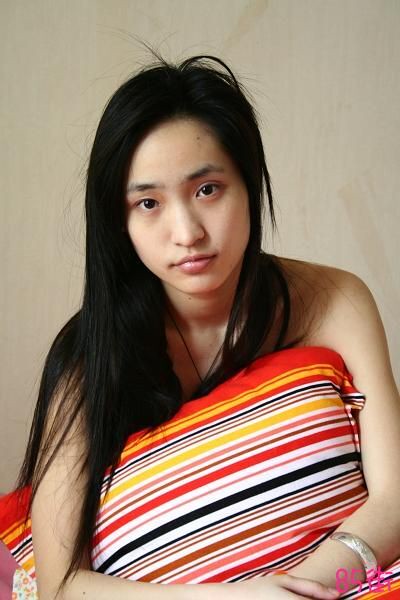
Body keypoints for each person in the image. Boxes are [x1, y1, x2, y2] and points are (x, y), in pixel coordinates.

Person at [0, 52, 399, 600]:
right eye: (148, 203)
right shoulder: (88, 360)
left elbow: (395, 497)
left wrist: (305, 589)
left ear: (249, 185)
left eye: (207, 189)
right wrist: (241, 598)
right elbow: (61, 585)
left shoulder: (335, 301)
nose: (186, 232)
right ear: (119, 224)